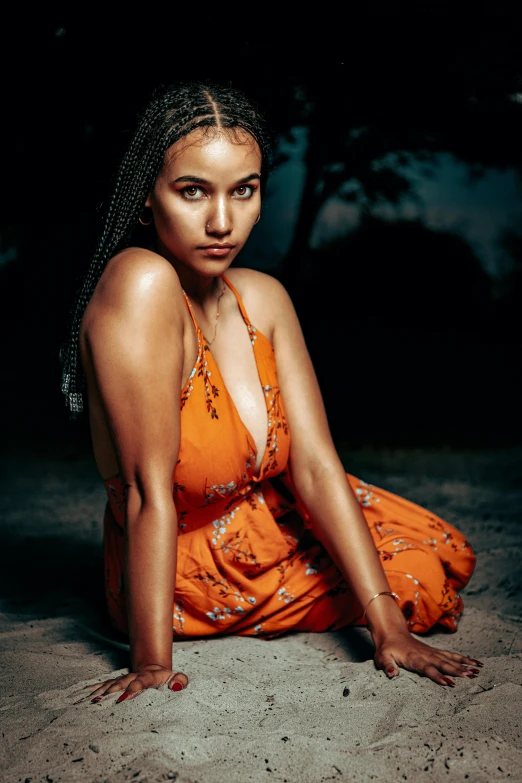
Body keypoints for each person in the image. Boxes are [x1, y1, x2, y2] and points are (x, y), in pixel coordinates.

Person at [60, 80, 480, 706]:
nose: (223, 221)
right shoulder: (140, 284)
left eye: (244, 190)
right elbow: (149, 489)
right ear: (147, 197)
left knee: (430, 554)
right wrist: (151, 662)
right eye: (193, 190)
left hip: (265, 522)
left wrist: (386, 628)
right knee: (420, 578)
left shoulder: (263, 297)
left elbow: (314, 464)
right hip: (181, 572)